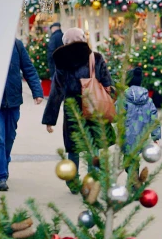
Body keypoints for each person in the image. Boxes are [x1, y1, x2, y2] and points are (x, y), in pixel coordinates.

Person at [42, 28, 112, 190]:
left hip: (72, 110)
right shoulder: (96, 58)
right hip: (94, 109)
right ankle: (92, 183)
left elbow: (56, 92)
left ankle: (73, 182)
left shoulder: (62, 62)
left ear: (65, 42)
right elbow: (108, 84)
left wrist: (49, 120)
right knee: (93, 148)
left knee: (73, 148)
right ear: (83, 39)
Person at [0, 39, 43, 191]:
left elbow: (28, 69)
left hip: (13, 100)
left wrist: (37, 92)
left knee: (9, 137)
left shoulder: (15, 44)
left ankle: (3, 163)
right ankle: (1, 175)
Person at [124, 67, 161, 152]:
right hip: (142, 136)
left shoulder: (124, 98)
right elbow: (154, 119)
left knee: (127, 160)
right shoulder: (148, 100)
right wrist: (155, 137)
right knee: (136, 160)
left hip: (126, 136)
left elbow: (115, 114)